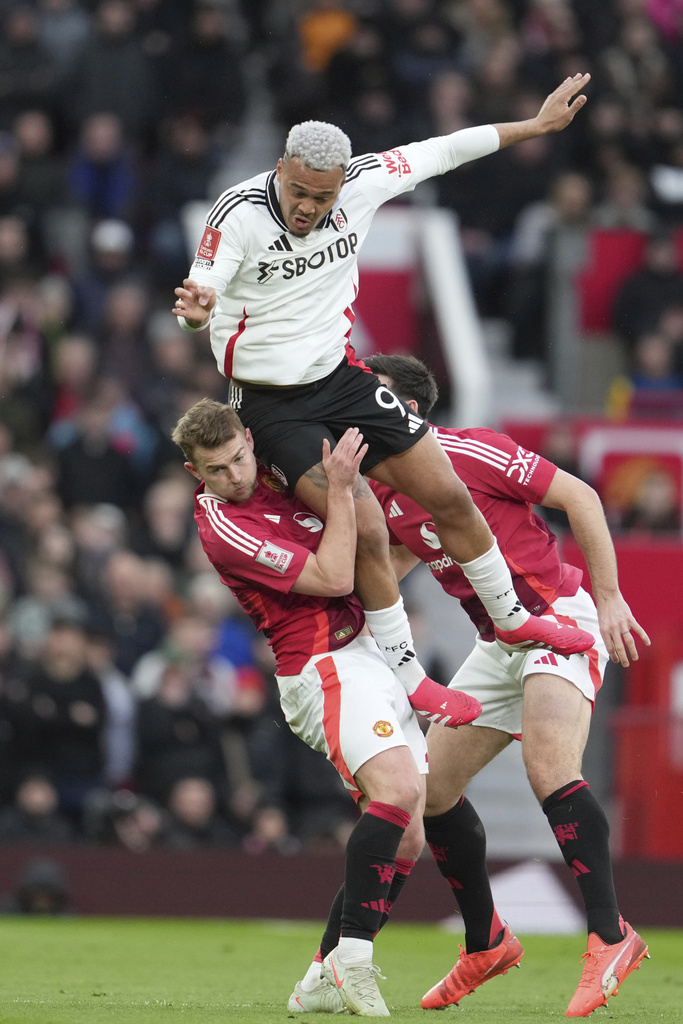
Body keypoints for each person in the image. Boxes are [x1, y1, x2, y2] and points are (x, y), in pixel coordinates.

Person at [172, 75, 595, 728]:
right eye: (299, 192)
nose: (309, 207)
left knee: (448, 493)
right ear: (281, 168)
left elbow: (443, 149)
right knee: (366, 523)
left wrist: (532, 129)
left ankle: (511, 620)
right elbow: (203, 290)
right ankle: (411, 678)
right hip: (271, 405)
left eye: (323, 196)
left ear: (342, 181)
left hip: (340, 378)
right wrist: (197, 314)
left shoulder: (366, 179)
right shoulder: (237, 214)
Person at [359, 353, 649, 1018]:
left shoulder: (467, 452)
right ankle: (485, 940)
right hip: (496, 643)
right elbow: (393, 561)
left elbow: (578, 494)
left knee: (545, 762)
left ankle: (610, 935)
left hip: (559, 616)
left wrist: (606, 597)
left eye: (366, 394)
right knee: (429, 790)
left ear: (399, 407)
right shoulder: (383, 489)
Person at [171, 398, 481, 1016]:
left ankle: (317, 976)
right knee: (395, 793)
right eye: (218, 470)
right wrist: (341, 491)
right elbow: (337, 576)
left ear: (249, 441)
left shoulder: (277, 464)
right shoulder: (222, 525)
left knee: (410, 838)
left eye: (239, 458)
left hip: (372, 651)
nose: (236, 476)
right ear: (195, 475)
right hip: (320, 666)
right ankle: (355, 962)